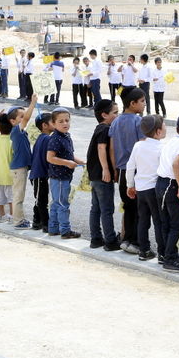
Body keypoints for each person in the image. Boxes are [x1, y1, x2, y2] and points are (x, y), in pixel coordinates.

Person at [109, 87, 147, 253]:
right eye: (142, 101)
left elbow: (111, 148)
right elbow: (143, 146)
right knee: (140, 208)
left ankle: (127, 239)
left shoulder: (116, 121)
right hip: (137, 171)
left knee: (128, 207)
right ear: (132, 104)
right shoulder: (138, 121)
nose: (145, 104)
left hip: (122, 170)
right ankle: (137, 242)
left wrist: (115, 168)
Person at [157, 113, 179, 273]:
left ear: (177, 128)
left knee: (166, 222)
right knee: (176, 224)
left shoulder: (172, 140)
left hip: (161, 183)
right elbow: (176, 163)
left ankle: (168, 254)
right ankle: (170, 258)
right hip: (171, 185)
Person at [126, 114, 166, 261]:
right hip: (154, 189)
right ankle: (162, 253)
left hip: (140, 188)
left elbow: (130, 167)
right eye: (164, 126)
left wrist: (130, 185)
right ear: (158, 131)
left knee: (143, 220)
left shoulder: (138, 145)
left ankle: (144, 250)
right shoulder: (162, 147)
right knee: (158, 221)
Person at [86, 99, 120, 250]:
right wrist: (107, 169)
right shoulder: (105, 129)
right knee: (106, 209)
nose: (117, 116)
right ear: (104, 115)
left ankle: (96, 238)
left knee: (96, 208)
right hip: (102, 175)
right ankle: (111, 241)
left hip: (94, 175)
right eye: (115, 113)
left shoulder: (99, 128)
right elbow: (101, 148)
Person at [45, 109, 83, 239]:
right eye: (60, 121)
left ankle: (53, 228)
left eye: (67, 120)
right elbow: (50, 158)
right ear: (54, 124)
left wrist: (80, 161)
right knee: (62, 204)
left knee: (56, 203)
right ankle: (65, 230)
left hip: (64, 176)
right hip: (59, 177)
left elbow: (70, 155)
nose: (65, 123)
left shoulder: (66, 136)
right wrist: (67, 163)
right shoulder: (55, 138)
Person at [7, 96, 37, 229]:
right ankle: (18, 221)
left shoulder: (21, 132)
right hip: (18, 168)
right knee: (18, 195)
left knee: (19, 194)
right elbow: (27, 119)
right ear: (13, 121)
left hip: (21, 167)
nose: (24, 119)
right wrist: (33, 103)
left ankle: (19, 219)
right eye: (21, 117)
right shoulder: (16, 131)